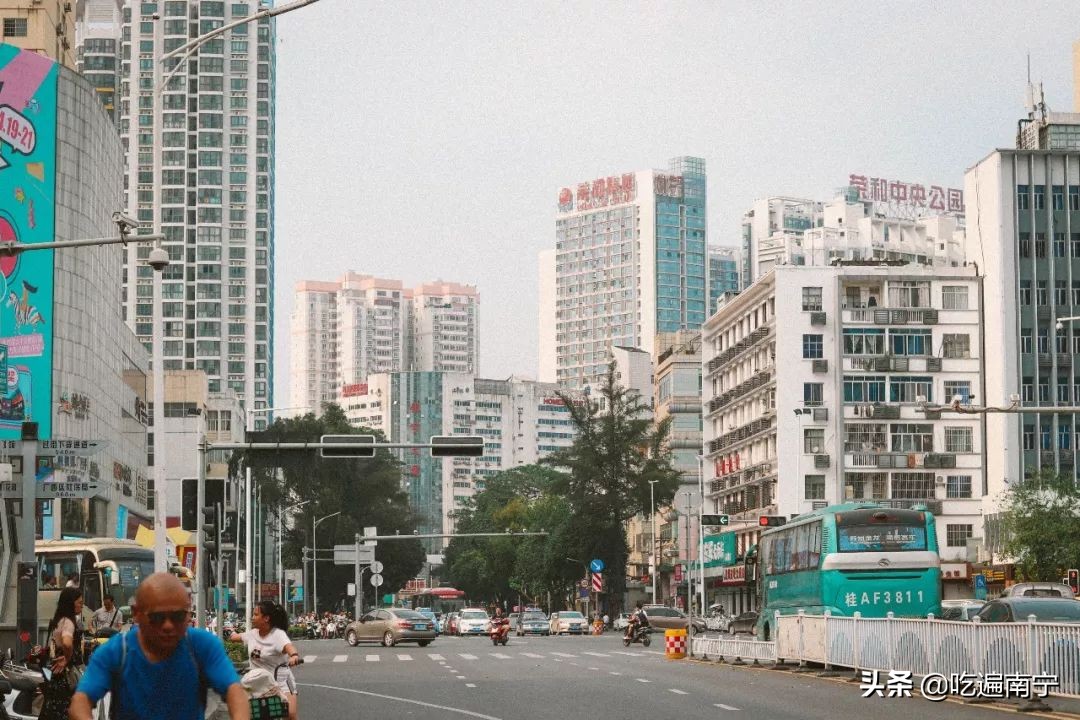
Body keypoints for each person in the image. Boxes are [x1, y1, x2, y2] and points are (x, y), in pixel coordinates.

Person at [69, 572, 250, 720]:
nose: (168, 626)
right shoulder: (116, 652)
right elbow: (80, 702)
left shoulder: (202, 646)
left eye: (178, 617)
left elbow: (235, 691)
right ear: (136, 614)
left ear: (188, 613)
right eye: (157, 618)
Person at [230, 600, 301, 720]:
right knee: (254, 715)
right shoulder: (252, 634)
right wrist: (231, 633)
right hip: (259, 683)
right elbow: (236, 637)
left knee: (290, 714)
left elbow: (289, 647)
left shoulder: (278, 635)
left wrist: (294, 656)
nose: (252, 618)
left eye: (256, 614)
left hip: (280, 681)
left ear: (266, 618)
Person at [38, 586, 84, 720]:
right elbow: (67, 643)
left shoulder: (60, 620)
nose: (82, 605)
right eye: (80, 602)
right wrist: (67, 658)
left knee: (52, 708)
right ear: (71, 603)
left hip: (55, 674)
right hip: (65, 675)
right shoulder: (69, 622)